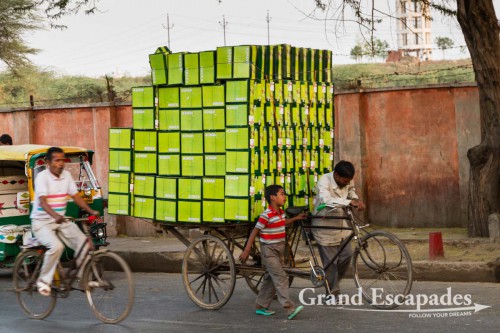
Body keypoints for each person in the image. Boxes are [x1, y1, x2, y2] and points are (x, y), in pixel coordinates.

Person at [30, 147, 99, 296]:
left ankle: (83, 278)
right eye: (57, 160)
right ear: (48, 162)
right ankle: (43, 281)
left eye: (62, 160)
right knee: (57, 247)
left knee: (83, 243)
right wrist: (54, 215)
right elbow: (42, 201)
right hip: (41, 222)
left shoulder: (67, 176)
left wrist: (90, 210)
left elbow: (76, 197)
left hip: (60, 221)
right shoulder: (42, 177)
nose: (61, 164)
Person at [240, 185, 307, 320]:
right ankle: (289, 308)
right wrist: (246, 250)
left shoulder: (281, 212)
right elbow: (255, 231)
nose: (284, 197)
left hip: (279, 249)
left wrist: (295, 218)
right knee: (281, 277)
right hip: (269, 250)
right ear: (272, 197)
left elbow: (283, 223)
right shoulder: (266, 215)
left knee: (271, 278)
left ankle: (261, 306)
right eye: (282, 194)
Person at [312, 160, 366, 301]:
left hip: (342, 224)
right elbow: (326, 201)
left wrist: (355, 199)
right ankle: (332, 293)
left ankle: (333, 283)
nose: (347, 183)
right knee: (330, 263)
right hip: (325, 225)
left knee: (347, 255)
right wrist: (349, 202)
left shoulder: (347, 181)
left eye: (349, 181)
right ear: (336, 175)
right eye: (344, 180)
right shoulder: (324, 181)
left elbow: (351, 191)